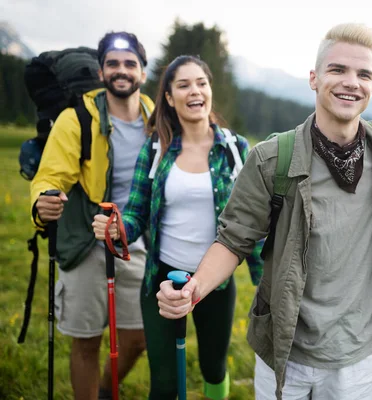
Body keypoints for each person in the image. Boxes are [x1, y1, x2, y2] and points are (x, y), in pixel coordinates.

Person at [155, 24, 372, 400]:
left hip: (359, 356)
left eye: (363, 74)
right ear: (314, 78)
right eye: (338, 70)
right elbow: (233, 240)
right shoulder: (272, 159)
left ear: (371, 86)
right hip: (284, 353)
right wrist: (194, 289)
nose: (351, 82)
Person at [92, 55, 264, 400]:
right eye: (183, 85)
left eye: (201, 83)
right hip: (162, 279)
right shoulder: (156, 148)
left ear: (210, 90)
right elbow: (136, 214)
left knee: (214, 368)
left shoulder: (235, 149)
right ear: (169, 98)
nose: (195, 91)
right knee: (165, 382)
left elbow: (254, 222)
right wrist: (117, 228)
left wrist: (266, 279)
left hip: (215, 282)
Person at [30, 31, 154, 399]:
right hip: (86, 239)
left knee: (140, 337)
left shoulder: (157, 116)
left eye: (130, 63)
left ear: (142, 73)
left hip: (133, 239)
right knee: (87, 341)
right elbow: (51, 176)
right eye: (113, 64)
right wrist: (44, 200)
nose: (121, 70)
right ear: (101, 72)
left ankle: (104, 389)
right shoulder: (77, 119)